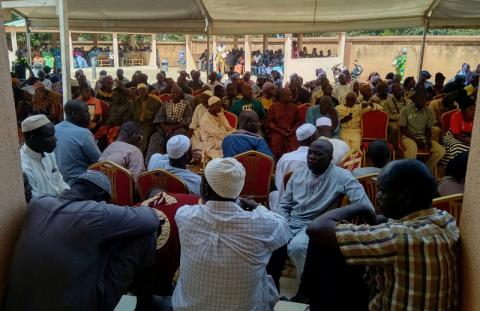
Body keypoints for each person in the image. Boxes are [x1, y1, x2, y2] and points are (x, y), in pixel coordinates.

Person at [302, 160, 459, 311]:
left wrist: (361, 206)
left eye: (382, 191)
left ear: (405, 197)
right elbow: (386, 223)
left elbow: (316, 227)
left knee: (322, 244)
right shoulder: (444, 219)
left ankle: (309, 298)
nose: (377, 196)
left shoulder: (397, 238)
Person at [5, 170, 161, 311]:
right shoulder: (95, 213)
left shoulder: (38, 203)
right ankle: (146, 302)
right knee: (145, 234)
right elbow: (151, 219)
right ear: (100, 196)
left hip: (17, 305)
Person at [172, 158, 291, 311]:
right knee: (272, 251)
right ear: (238, 189)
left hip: (185, 308)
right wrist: (258, 207)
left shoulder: (184, 215)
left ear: (205, 189)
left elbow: (202, 209)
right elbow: (284, 228)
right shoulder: (263, 224)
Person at [269, 139, 373, 294]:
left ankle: (308, 292)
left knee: (298, 247)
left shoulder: (342, 176)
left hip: (314, 226)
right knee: (266, 239)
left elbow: (363, 204)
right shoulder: (297, 175)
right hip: (291, 222)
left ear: (330, 158)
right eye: (310, 153)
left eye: (318, 154)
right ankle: (270, 292)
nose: (311, 157)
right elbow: (284, 204)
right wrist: (281, 223)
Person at [20, 114, 70, 199]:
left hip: (61, 202)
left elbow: (59, 181)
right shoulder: (23, 166)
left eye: (53, 135)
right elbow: (35, 202)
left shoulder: (48, 152)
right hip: (46, 209)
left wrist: (69, 195)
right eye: (50, 136)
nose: (55, 139)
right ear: (33, 138)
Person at [399, 84, 446, 173]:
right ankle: (408, 173)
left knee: (441, 151)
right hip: (408, 137)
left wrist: (428, 140)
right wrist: (416, 140)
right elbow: (403, 128)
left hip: (423, 137)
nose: (422, 100)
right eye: (420, 98)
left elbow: (428, 129)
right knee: (411, 151)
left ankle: (425, 170)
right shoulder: (405, 110)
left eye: (424, 98)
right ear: (415, 98)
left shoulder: (429, 112)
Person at [55, 100, 101, 185]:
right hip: (78, 184)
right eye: (86, 111)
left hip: (57, 183)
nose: (89, 115)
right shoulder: (84, 133)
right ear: (74, 114)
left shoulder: (54, 129)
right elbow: (99, 162)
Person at [274, 124, 319, 201]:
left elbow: (278, 183)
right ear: (312, 139)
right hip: (310, 204)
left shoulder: (285, 158)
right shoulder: (319, 158)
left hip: (285, 203)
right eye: (317, 136)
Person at [146, 86, 193, 161]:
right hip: (165, 127)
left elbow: (187, 120)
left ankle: (176, 161)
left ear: (180, 94)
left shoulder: (186, 105)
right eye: (172, 93)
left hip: (179, 127)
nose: (173, 95)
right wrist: (165, 129)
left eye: (176, 93)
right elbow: (159, 117)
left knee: (177, 138)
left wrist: (173, 128)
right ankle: (152, 161)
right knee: (155, 138)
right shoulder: (165, 104)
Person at [267, 88, 300, 160]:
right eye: (288, 95)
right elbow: (270, 122)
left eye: (291, 95)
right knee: (275, 141)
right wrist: (280, 131)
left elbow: (298, 121)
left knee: (295, 141)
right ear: (281, 96)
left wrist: (293, 130)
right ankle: (275, 164)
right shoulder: (274, 107)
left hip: (291, 131)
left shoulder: (295, 107)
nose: (290, 97)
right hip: (277, 131)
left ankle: (293, 163)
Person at [442, 96, 475, 165]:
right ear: (463, 110)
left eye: (474, 109)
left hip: (467, 138)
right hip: (451, 136)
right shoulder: (456, 116)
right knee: (457, 147)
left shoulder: (476, 118)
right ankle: (450, 166)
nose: (474, 111)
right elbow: (456, 135)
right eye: (471, 109)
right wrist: (468, 142)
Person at [132, 83, 162, 154]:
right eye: (140, 91)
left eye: (144, 91)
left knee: (143, 135)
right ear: (138, 92)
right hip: (137, 124)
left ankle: (140, 153)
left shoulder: (156, 101)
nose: (142, 93)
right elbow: (132, 116)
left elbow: (159, 116)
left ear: (147, 91)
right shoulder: (135, 102)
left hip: (150, 124)